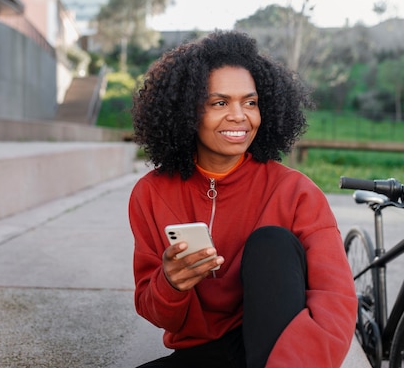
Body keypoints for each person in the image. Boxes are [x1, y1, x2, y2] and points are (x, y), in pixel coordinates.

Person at [128, 30, 357, 368]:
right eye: (219, 103)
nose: (240, 116)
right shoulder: (151, 193)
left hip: (280, 351)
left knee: (272, 242)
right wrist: (170, 284)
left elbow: (334, 301)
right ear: (187, 112)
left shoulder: (296, 191)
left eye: (250, 102)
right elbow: (157, 312)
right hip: (204, 353)